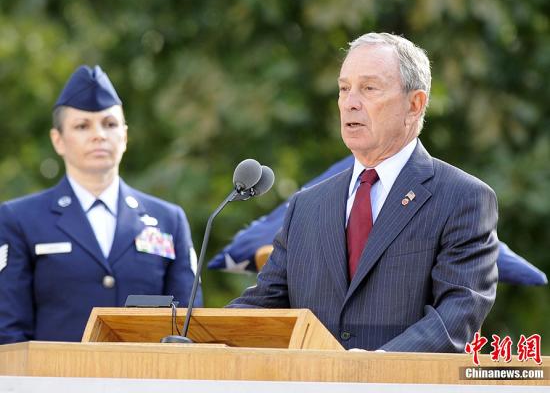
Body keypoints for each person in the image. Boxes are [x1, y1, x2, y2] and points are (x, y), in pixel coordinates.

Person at [229, 32, 499, 353]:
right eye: (344, 89)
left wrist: (374, 367)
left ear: (415, 104)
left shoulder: (463, 198)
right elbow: (264, 305)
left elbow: (457, 316)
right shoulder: (307, 205)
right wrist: (194, 336)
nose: (350, 102)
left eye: (369, 89)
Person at [0, 65, 201, 343]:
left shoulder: (169, 220)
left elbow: (188, 327)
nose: (99, 135)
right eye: (82, 126)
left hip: (145, 382)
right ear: (57, 140)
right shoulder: (20, 219)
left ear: (125, 135)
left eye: (110, 124)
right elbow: (8, 330)